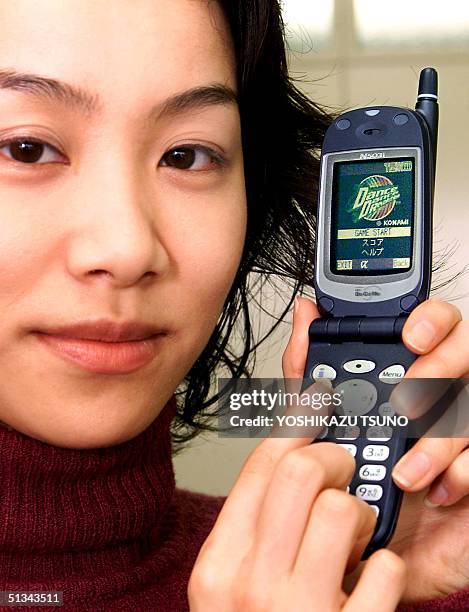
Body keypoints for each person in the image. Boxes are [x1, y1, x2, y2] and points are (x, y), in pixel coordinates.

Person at [0, 0, 467, 610]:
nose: (127, 247)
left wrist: (386, 574)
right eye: (27, 148)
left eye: (187, 155)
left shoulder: (329, 578)